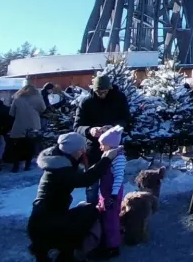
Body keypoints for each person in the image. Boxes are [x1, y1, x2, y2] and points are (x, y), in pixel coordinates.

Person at [27, 133, 121, 262]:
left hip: (39, 223)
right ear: (75, 151)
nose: (83, 152)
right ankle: (65, 253)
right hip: (47, 226)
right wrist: (107, 159)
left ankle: (46, 247)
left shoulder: (57, 160)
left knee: (81, 211)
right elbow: (86, 179)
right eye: (82, 149)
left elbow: (83, 173)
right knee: (91, 211)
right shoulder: (61, 170)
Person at [75, 73, 132, 204]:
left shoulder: (119, 98)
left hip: (113, 148)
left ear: (110, 89)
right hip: (93, 149)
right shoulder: (86, 101)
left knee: (113, 182)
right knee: (92, 185)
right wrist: (90, 130)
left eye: (104, 92)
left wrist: (113, 128)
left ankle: (110, 212)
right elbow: (77, 126)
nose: (101, 95)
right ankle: (91, 212)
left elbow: (127, 120)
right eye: (98, 92)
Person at [95, 126, 127, 259]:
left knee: (111, 219)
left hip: (111, 194)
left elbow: (118, 178)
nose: (100, 147)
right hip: (105, 193)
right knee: (105, 217)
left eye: (102, 144)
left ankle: (113, 246)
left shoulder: (118, 158)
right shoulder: (108, 155)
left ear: (111, 145)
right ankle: (106, 241)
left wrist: (114, 195)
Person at [9, 83, 47, 172]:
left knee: (17, 147)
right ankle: (27, 165)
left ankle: (16, 166)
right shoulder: (38, 98)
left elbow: (11, 113)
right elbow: (43, 109)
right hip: (33, 125)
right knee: (30, 146)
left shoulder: (17, 98)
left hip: (19, 126)